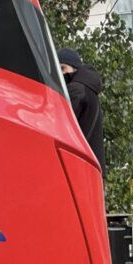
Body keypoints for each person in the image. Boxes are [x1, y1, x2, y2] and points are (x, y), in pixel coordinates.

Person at [57, 48, 104, 177]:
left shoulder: (76, 89)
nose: (60, 74)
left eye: (63, 68)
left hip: (80, 166)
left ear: (74, 69)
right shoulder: (88, 89)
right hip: (92, 166)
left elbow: (61, 124)